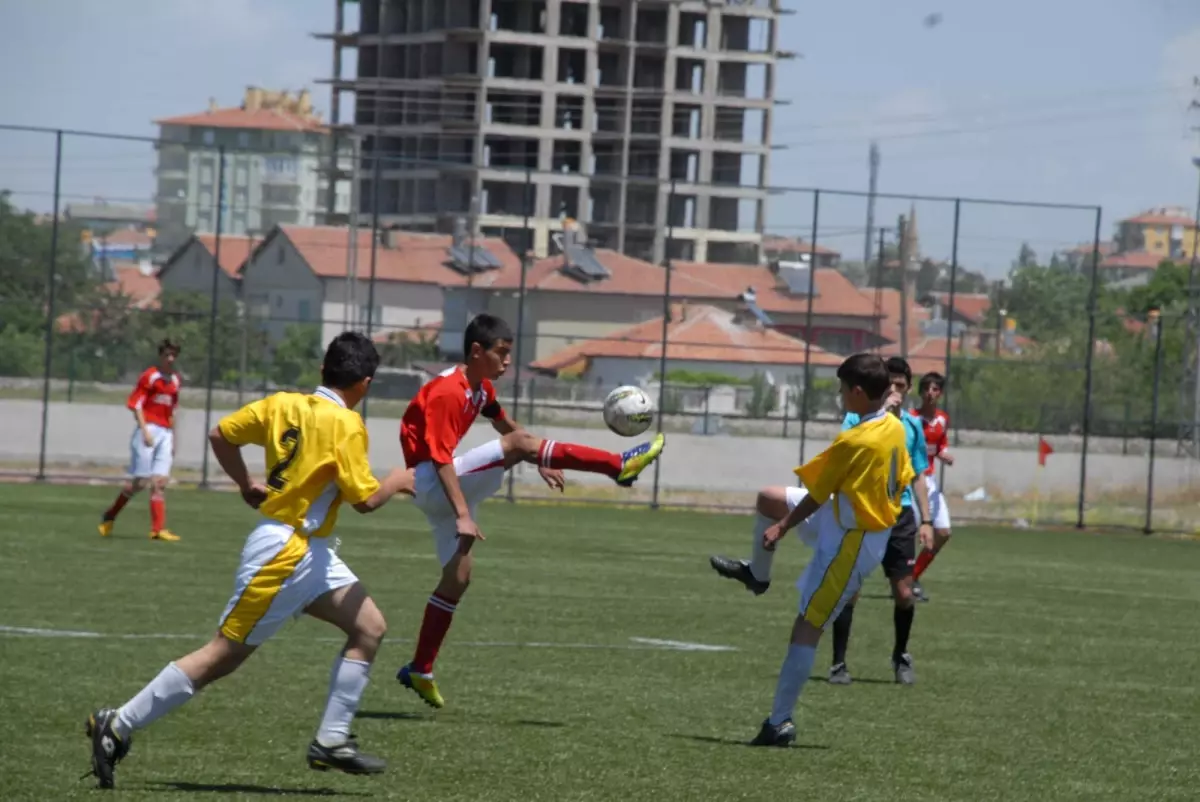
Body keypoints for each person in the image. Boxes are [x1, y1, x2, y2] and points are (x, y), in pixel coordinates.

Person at [85, 332, 414, 789]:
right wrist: (398, 479)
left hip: (308, 549)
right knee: (223, 654)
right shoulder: (347, 425)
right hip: (286, 551)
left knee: (369, 627)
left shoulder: (282, 404)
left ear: (322, 371)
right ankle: (117, 725)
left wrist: (245, 484)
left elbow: (221, 435)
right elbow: (365, 501)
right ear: (366, 383)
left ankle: (332, 740)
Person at [396, 313, 665, 710]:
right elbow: (439, 458)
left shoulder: (479, 387)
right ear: (476, 351)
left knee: (459, 576)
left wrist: (538, 454)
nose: (507, 361)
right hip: (433, 481)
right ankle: (617, 466)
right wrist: (463, 514)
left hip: (441, 487)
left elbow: (507, 426)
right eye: (501, 353)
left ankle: (420, 667)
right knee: (518, 446)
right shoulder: (447, 391)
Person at [708, 353, 916, 747]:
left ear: (857, 392)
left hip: (852, 540)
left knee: (808, 625)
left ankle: (779, 722)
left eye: (842, 389)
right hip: (845, 515)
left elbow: (818, 494)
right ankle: (758, 575)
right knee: (768, 497)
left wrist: (783, 528)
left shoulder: (855, 440)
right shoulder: (892, 425)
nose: (839, 396)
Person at [826, 357, 934, 686]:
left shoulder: (913, 427)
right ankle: (838, 663)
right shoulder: (857, 418)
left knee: (904, 593)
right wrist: (883, 414)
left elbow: (917, 475)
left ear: (908, 389)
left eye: (901, 386)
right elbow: (848, 447)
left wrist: (926, 519)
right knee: (851, 589)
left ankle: (900, 655)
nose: (896, 391)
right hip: (866, 512)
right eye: (891, 386)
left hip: (899, 515)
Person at [98, 338, 182, 541]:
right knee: (139, 483)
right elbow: (136, 405)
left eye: (173, 355)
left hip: (166, 432)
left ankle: (157, 530)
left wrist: (174, 439)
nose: (170, 359)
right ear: (160, 356)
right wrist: (145, 431)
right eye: (166, 355)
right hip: (149, 429)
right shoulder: (150, 376)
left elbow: (173, 411)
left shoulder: (176, 380)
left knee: (160, 482)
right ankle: (110, 515)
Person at [910, 371, 953, 601]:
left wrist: (944, 454)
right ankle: (903, 580)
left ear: (940, 393)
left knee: (943, 533)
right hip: (914, 480)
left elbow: (940, 445)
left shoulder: (943, 419)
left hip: (931, 482)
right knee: (913, 532)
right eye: (926, 388)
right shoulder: (911, 418)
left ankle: (913, 576)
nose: (930, 393)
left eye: (935, 389)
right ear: (920, 392)